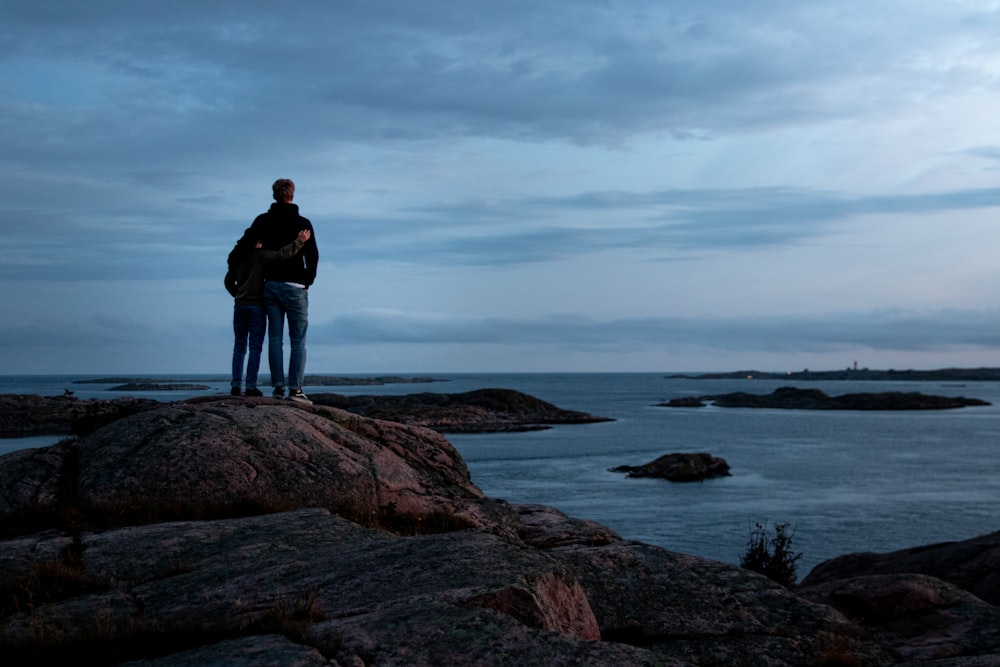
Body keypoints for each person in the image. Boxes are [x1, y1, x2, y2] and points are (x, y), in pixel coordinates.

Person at [248, 178, 319, 403]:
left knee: (275, 338)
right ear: (292, 195)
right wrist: (308, 281)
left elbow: (250, 246)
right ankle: (295, 389)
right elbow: (313, 256)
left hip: (270, 285)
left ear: (274, 195)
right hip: (295, 286)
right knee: (298, 340)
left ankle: (278, 386)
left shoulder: (263, 221)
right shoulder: (302, 222)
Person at [225, 228, 312, 397]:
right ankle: (250, 386)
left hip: (239, 306)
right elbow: (280, 255)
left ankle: (236, 385)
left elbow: (228, 281)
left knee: (239, 346)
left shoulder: (236, 259)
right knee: (255, 347)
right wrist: (299, 242)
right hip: (257, 306)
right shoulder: (259, 256)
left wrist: (238, 294)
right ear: (257, 241)